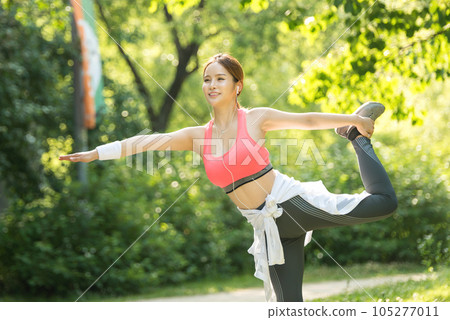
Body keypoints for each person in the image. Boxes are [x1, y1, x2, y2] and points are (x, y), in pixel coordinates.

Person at [59, 53, 398, 302]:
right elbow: (144, 142)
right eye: (207, 79)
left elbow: (306, 120)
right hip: (266, 227)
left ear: (238, 86)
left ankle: (356, 139)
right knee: (287, 305)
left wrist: (353, 119)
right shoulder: (197, 136)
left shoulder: (255, 119)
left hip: (288, 204)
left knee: (383, 203)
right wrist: (95, 153)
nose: (211, 84)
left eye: (220, 78)